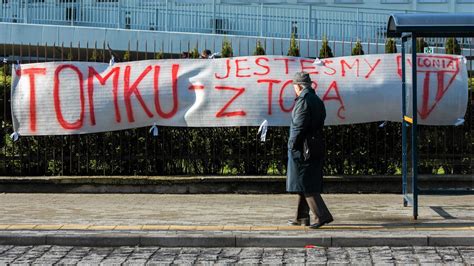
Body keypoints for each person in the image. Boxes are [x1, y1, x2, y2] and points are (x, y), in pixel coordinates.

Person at [286, 71, 333, 229]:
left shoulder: (304, 101)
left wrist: (292, 144)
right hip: (314, 143)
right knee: (303, 180)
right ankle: (302, 217)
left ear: (299, 86)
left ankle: (322, 215)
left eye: (294, 86)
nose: (294, 89)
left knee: (305, 182)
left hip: (303, 146)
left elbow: (299, 125)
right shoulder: (316, 100)